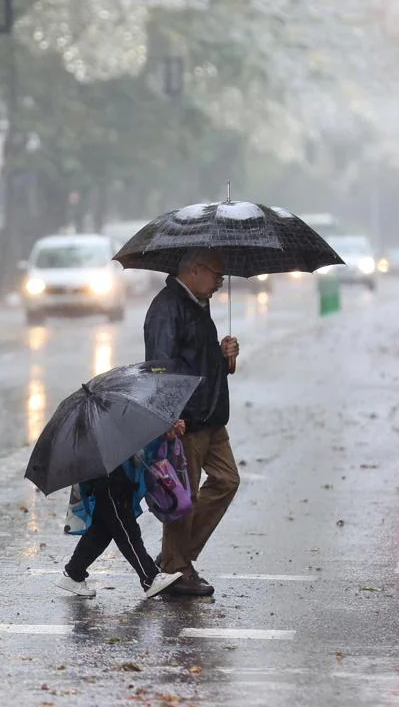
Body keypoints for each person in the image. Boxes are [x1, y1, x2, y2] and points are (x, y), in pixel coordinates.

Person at [143, 247, 240, 597]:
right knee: (183, 494)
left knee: (227, 480)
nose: (219, 283)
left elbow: (197, 358)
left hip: (211, 416)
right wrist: (168, 415)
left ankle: (174, 557)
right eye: (217, 275)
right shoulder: (167, 308)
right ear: (195, 270)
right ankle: (176, 568)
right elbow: (161, 367)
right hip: (186, 419)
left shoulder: (198, 303)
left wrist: (224, 355)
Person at [57, 425, 186, 600]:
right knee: (126, 529)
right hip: (108, 477)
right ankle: (150, 578)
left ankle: (74, 573)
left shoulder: (108, 411)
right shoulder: (100, 417)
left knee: (101, 531)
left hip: (116, 472)